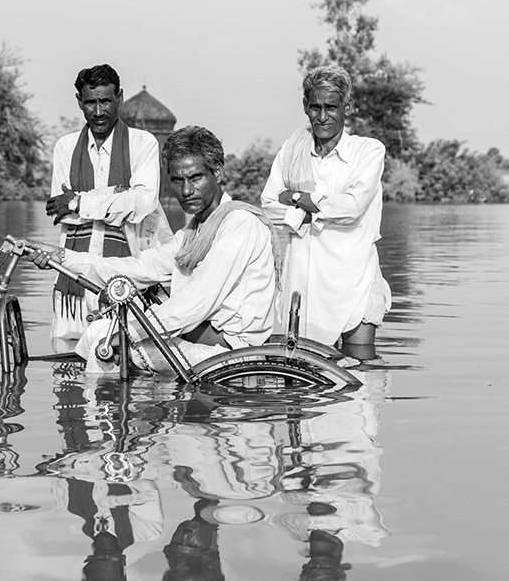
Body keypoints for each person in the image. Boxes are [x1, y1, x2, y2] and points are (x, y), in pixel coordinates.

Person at [31, 125, 281, 371]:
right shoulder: (194, 231)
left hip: (229, 353)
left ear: (218, 173)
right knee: (101, 330)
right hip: (198, 337)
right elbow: (143, 268)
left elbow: (194, 302)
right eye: (177, 180)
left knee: (104, 338)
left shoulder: (239, 224)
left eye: (195, 178)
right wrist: (63, 258)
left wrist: (127, 334)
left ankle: (93, 407)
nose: (185, 190)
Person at [261, 65, 391, 357]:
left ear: (348, 106)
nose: (322, 117)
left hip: (354, 280)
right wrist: (309, 207)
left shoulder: (368, 152)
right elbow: (269, 206)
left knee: (361, 376)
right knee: (307, 372)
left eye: (331, 107)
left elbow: (352, 207)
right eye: (315, 107)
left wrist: (294, 199)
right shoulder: (292, 150)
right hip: (305, 287)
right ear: (305, 106)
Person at [46, 63, 171, 345]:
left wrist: (79, 201)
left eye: (105, 101)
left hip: (127, 276)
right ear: (80, 101)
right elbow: (61, 213)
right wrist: (118, 197)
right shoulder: (66, 147)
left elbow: (141, 204)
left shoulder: (143, 144)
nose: (99, 111)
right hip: (73, 284)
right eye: (90, 102)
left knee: (124, 356)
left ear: (120, 98)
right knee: (67, 370)